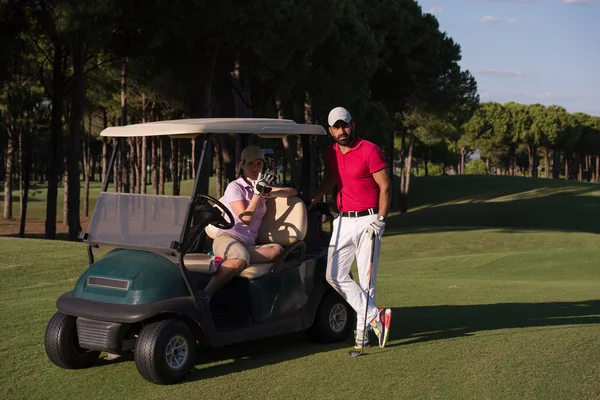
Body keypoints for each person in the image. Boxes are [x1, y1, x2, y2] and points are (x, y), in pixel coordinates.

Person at [310, 106, 392, 350]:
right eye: (336, 127)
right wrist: (317, 196)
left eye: (345, 125)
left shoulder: (369, 150)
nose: (342, 130)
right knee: (333, 275)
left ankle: (361, 336)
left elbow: (385, 186)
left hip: (369, 219)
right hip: (343, 220)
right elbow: (332, 176)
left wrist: (381, 219)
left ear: (352, 124)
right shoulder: (331, 151)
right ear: (330, 130)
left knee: (367, 281)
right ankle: (376, 317)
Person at [202, 145, 297, 302]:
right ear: (242, 165)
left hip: (248, 244)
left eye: (259, 163)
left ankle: (222, 262)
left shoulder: (260, 187)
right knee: (241, 257)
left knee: (276, 250)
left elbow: (292, 192)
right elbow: (245, 218)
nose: (255, 168)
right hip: (228, 237)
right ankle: (205, 295)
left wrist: (269, 192)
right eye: (251, 163)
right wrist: (257, 195)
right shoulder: (235, 187)